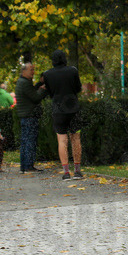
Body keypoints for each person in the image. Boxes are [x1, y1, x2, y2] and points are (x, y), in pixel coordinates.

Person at [41, 50, 83, 180]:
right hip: (73, 108)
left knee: (62, 140)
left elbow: (49, 92)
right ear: (65, 59)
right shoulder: (73, 70)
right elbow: (78, 88)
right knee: (75, 138)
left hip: (58, 109)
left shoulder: (47, 74)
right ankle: (77, 170)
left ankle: (66, 172)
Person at [14, 61, 46, 173]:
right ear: (24, 71)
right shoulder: (25, 83)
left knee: (25, 141)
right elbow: (35, 97)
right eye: (31, 69)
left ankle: (24, 166)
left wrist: (38, 85)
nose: (33, 72)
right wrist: (43, 89)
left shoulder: (22, 82)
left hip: (25, 116)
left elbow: (31, 93)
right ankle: (28, 166)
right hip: (29, 116)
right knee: (30, 141)